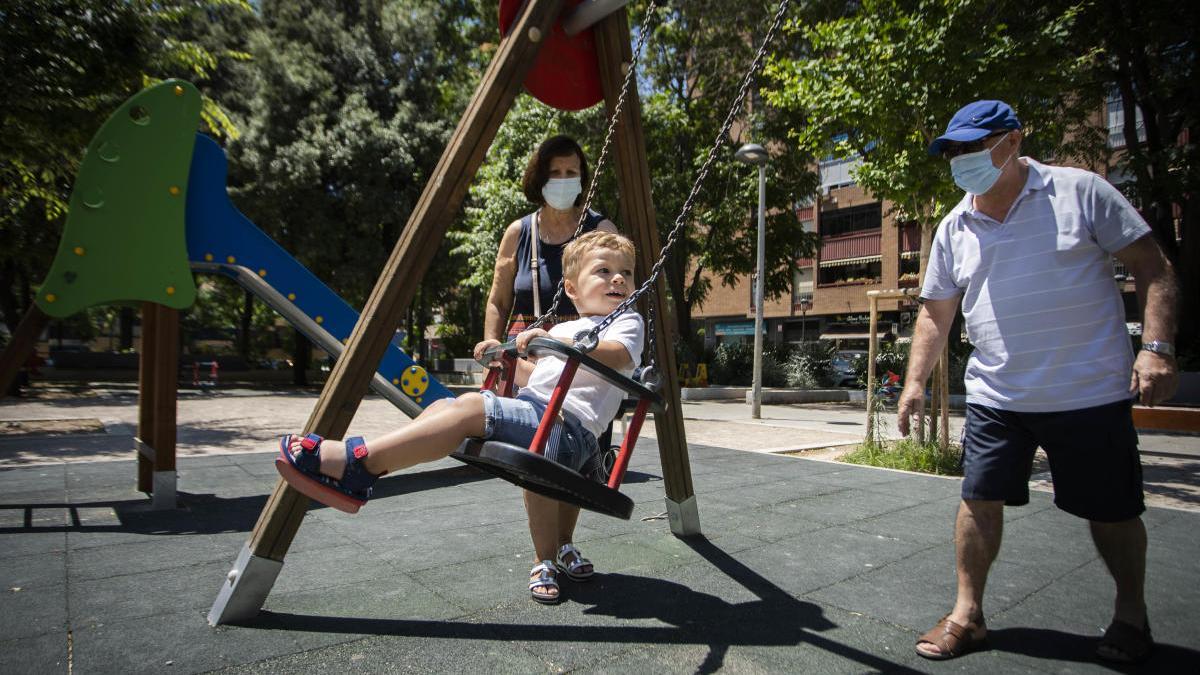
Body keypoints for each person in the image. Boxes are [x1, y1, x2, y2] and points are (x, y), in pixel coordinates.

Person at [904, 100, 1178, 664]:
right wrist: (913, 383)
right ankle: (967, 615)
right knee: (977, 499)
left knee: (1113, 510)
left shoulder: (1080, 192)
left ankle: (1131, 619)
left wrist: (1155, 350)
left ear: (1011, 141)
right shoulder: (955, 226)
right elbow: (935, 314)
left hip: (1089, 392)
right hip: (997, 396)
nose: (961, 160)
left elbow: (1155, 267)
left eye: (971, 147)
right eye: (953, 151)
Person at [276, 231, 644, 605]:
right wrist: (508, 362)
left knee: (473, 411)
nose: (618, 279)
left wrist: (550, 343)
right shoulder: (565, 328)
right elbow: (542, 380)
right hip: (544, 415)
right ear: (571, 288)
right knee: (441, 407)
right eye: (604, 270)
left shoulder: (625, 321)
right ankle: (561, 550)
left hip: (568, 431)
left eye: (626, 273)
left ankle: (360, 463)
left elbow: (615, 356)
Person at [473, 135, 618, 603]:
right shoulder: (520, 232)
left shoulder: (599, 228)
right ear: (540, 178)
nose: (563, 181)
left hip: (583, 350)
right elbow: (498, 296)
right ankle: (543, 556)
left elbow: (620, 290)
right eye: (554, 173)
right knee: (540, 452)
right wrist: (492, 340)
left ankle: (565, 545)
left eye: (571, 172)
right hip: (529, 345)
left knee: (579, 453)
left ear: (582, 176)